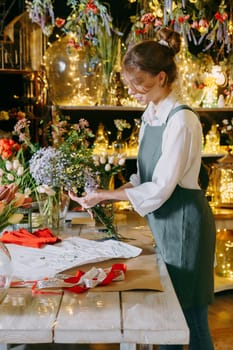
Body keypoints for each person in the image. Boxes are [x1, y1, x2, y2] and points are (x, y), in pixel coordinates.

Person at [69, 27, 216, 350]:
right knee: (166, 318)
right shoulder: (151, 115)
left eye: (139, 84)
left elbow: (161, 187)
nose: (133, 91)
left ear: (162, 77)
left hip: (185, 227)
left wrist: (106, 196)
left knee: (189, 318)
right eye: (130, 84)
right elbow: (142, 178)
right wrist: (103, 193)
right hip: (166, 224)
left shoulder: (181, 120)